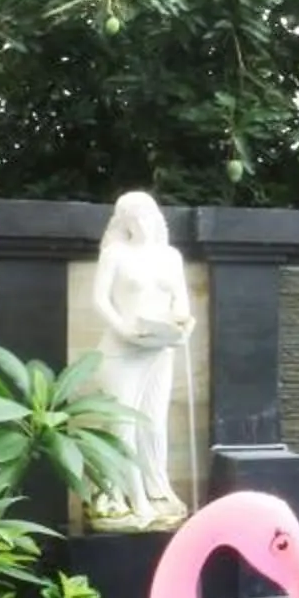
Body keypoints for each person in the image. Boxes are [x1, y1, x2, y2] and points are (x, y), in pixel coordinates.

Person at [87, 191, 194, 530]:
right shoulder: (115, 254)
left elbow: (181, 301)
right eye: (132, 217)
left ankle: (155, 489)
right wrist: (124, 328)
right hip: (122, 350)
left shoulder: (170, 256)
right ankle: (132, 499)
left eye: (146, 215)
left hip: (159, 349)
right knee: (123, 426)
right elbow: (99, 300)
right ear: (123, 222)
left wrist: (183, 325)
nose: (141, 223)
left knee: (153, 424)